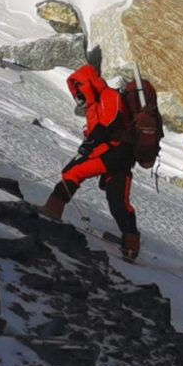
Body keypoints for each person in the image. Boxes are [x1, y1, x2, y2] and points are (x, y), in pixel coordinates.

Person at [38, 61, 140, 261]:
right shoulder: (96, 103)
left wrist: (89, 144)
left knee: (72, 172)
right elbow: (100, 130)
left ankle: (53, 209)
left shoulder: (109, 96)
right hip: (119, 155)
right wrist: (89, 144)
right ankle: (131, 247)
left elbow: (108, 125)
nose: (79, 96)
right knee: (118, 201)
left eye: (80, 90)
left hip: (115, 152)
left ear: (88, 84)